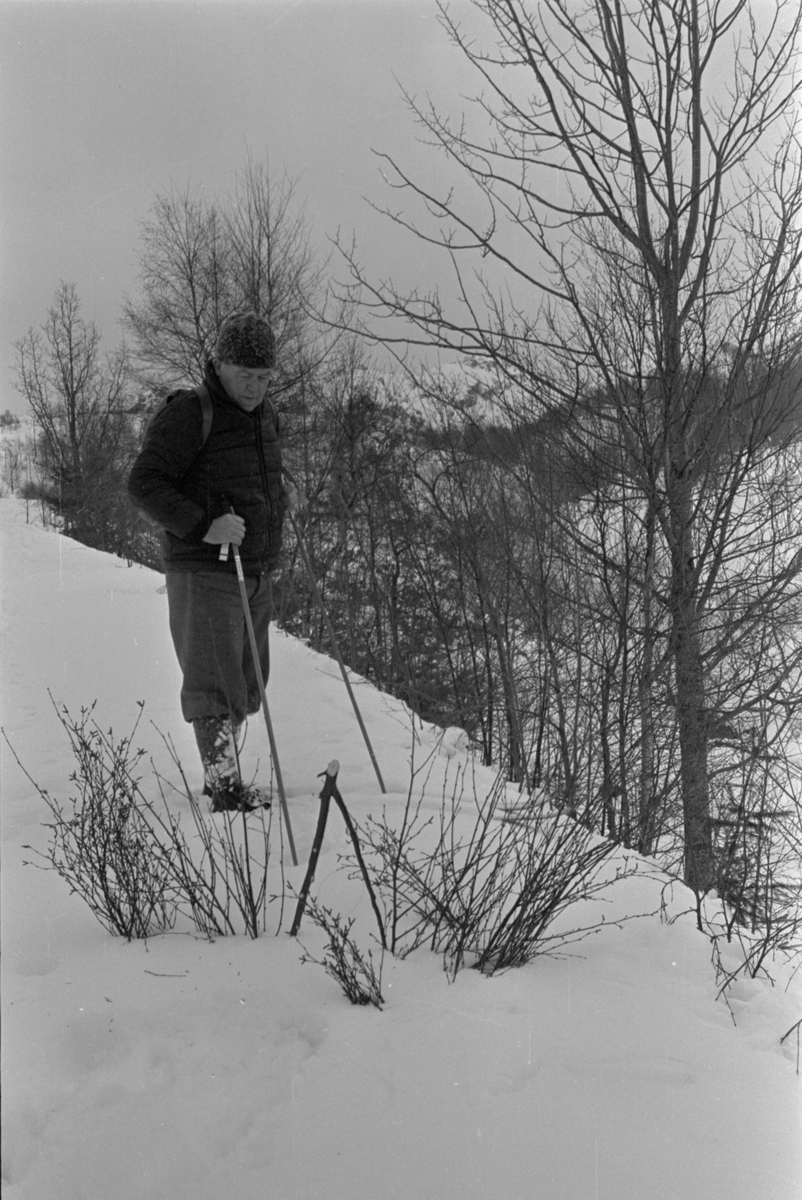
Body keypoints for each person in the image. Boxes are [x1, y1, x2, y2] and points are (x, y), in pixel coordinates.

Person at [128, 311, 299, 811]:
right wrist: (205, 525)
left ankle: (225, 777)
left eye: (265, 377)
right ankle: (223, 790)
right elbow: (143, 483)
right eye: (246, 375)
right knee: (212, 682)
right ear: (220, 365)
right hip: (204, 570)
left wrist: (282, 494)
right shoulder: (190, 411)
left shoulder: (263, 413)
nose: (256, 386)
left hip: (255, 568)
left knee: (247, 683)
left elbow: (248, 475)